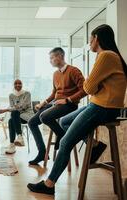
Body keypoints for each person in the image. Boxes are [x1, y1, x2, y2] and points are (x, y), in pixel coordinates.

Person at [27, 24, 127, 195]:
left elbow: (87, 88)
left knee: (65, 142)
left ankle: (49, 184)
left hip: (102, 107)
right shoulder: (109, 56)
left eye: (90, 39)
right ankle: (94, 145)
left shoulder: (105, 56)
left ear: (97, 38)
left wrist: (73, 96)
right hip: (97, 104)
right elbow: (92, 88)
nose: (89, 43)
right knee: (64, 122)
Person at [27, 47, 86, 165]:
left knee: (44, 117)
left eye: (52, 58)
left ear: (60, 57)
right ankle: (42, 153)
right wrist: (44, 102)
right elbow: (54, 93)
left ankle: (63, 137)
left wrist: (68, 100)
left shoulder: (74, 71)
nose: (50, 61)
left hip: (69, 106)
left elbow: (84, 90)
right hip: (56, 104)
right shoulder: (55, 74)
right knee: (32, 122)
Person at [0, 79, 34, 154]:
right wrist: (13, 108)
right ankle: (18, 139)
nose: (18, 85)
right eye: (16, 83)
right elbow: (13, 107)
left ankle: (14, 143)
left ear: (22, 84)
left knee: (14, 114)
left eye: (19, 83)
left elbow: (23, 106)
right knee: (11, 119)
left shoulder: (27, 93)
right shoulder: (11, 95)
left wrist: (5, 110)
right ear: (13, 85)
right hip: (16, 116)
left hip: (27, 115)